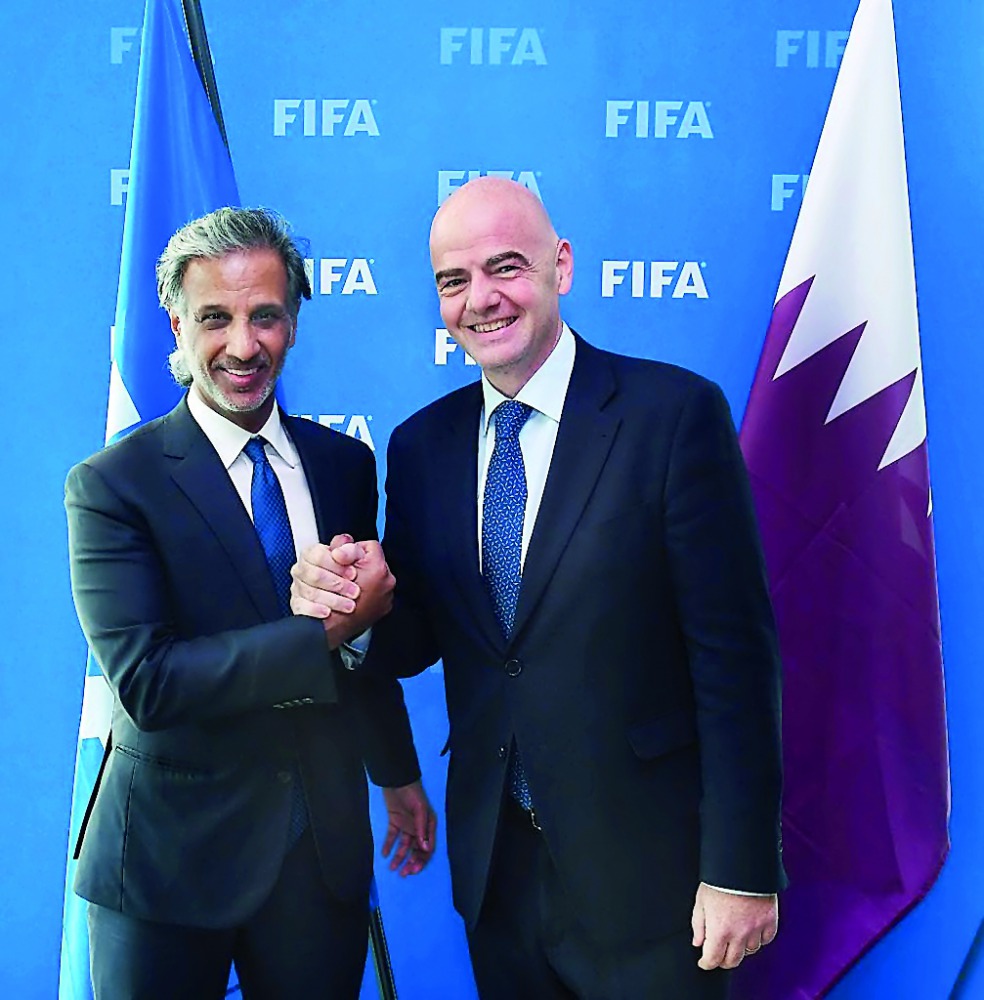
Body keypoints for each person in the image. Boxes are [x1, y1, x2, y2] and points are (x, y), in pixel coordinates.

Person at [292, 178, 784, 999]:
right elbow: (422, 637)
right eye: (454, 280)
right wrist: (359, 609)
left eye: (506, 267)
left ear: (561, 265)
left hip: (654, 883)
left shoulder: (673, 416)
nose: (481, 299)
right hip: (499, 877)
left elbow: (735, 661)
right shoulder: (422, 447)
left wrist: (741, 870)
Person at [65, 206, 436, 999]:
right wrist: (329, 627)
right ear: (175, 323)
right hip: (166, 863)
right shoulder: (111, 485)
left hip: (316, 854)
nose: (243, 345)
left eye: (265, 316)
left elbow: (361, 646)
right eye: (215, 318)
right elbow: (151, 683)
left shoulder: (343, 464)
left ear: (294, 323)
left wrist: (396, 776)